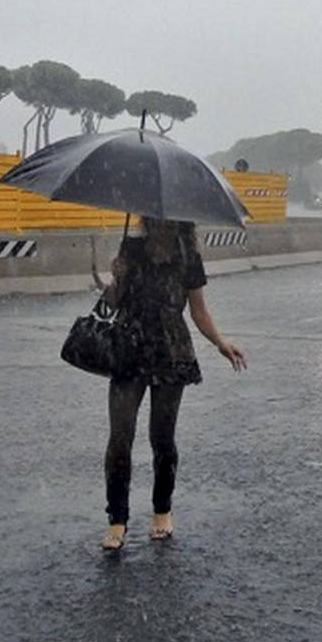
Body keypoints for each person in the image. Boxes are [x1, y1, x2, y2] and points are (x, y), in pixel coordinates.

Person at [99, 216, 246, 550]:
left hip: (171, 352)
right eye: (156, 219)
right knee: (120, 437)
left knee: (162, 438)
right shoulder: (131, 248)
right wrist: (115, 279)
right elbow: (114, 301)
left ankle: (162, 510)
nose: (162, 225)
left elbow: (198, 311)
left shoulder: (188, 256)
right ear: (148, 220)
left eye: (169, 221)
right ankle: (117, 519)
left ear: (181, 223)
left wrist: (221, 342)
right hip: (129, 350)